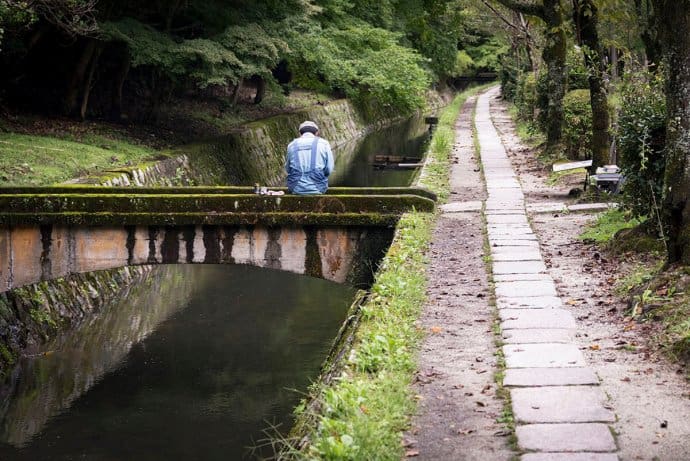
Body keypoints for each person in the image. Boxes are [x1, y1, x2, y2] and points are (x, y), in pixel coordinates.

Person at [286, 120, 334, 194]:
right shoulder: (324, 144)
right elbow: (328, 169)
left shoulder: (291, 145)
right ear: (316, 133)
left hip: (295, 188)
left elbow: (288, 169)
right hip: (319, 188)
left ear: (300, 133)